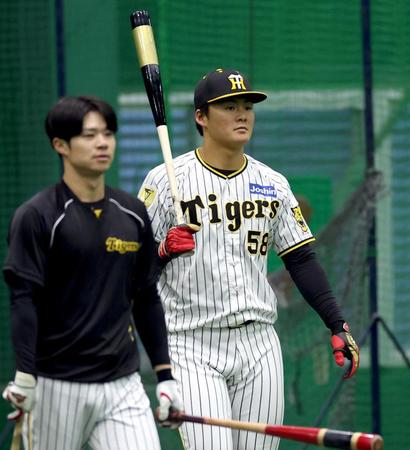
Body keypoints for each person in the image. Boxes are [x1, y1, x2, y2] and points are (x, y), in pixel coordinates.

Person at [138, 68, 360, 450]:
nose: (242, 114)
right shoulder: (164, 180)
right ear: (201, 117)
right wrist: (160, 252)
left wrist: (336, 323)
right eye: (229, 106)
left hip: (258, 344)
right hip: (190, 343)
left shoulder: (272, 183)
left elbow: (301, 260)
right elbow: (132, 273)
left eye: (247, 106)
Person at [2, 96, 183, 450]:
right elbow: (24, 301)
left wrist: (165, 375)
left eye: (108, 133)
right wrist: (25, 376)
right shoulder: (37, 216)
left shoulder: (131, 213)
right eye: (89, 135)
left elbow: (145, 297)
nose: (102, 143)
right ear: (61, 145)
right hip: (56, 385)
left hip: (123, 384)